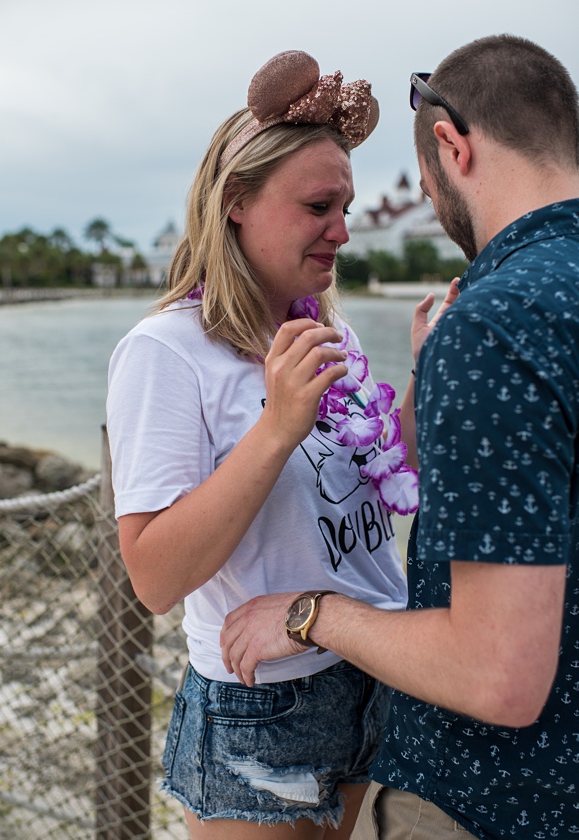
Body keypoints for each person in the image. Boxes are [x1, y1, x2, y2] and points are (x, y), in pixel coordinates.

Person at [219, 34, 579, 838]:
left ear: (451, 144)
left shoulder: (496, 322)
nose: (342, 234)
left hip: (491, 795)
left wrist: (313, 613)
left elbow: (498, 674)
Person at [107, 50, 416, 838]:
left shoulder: (325, 327)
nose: (342, 231)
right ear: (236, 201)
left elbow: (372, 487)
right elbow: (154, 576)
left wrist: (423, 382)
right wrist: (277, 428)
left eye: (345, 206)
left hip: (381, 666)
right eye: (318, 206)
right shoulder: (165, 351)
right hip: (264, 706)